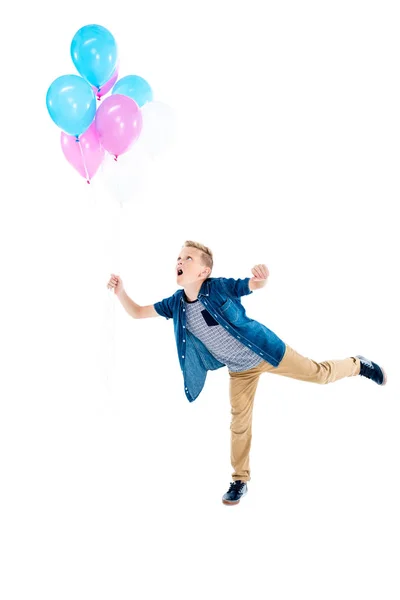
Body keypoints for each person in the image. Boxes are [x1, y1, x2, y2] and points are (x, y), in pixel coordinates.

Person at [107, 240, 387, 506]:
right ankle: (240, 479)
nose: (180, 261)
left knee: (319, 374)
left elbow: (250, 285)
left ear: (204, 271)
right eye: (179, 258)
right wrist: (121, 293)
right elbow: (139, 312)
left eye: (187, 258)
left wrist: (261, 279)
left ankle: (357, 364)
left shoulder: (218, 288)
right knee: (239, 423)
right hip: (240, 371)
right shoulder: (176, 304)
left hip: (267, 351)